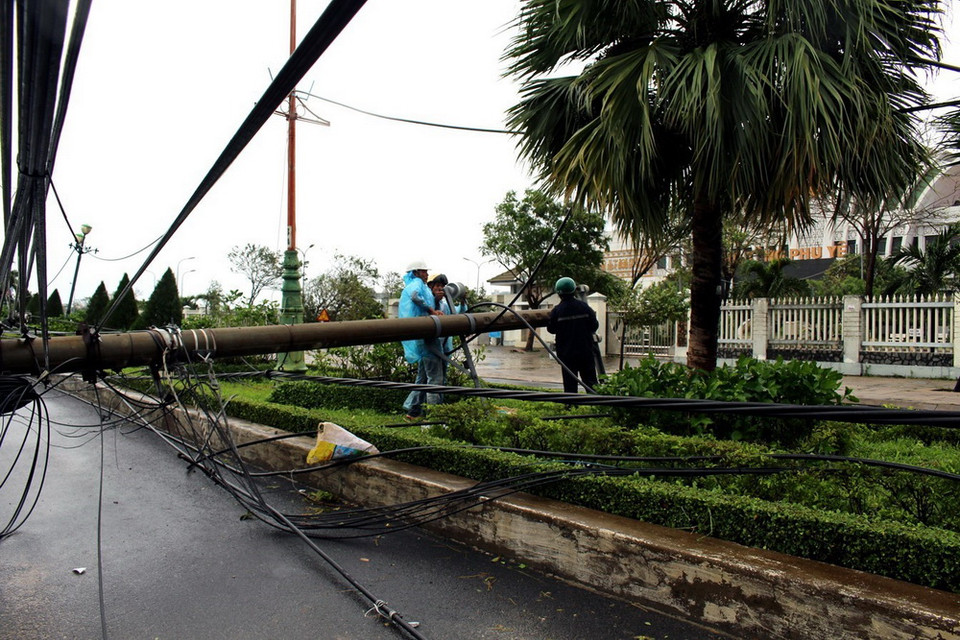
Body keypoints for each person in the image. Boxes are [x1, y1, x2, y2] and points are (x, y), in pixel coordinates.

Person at [399, 261, 444, 420]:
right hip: (427, 335)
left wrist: (435, 305)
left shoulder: (417, 286)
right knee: (435, 379)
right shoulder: (417, 284)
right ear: (416, 272)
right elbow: (415, 296)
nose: (426, 274)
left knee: (423, 378)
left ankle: (413, 411)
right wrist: (432, 311)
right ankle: (433, 415)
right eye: (424, 271)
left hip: (421, 335)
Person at [546, 276, 599, 393]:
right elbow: (594, 325)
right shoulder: (585, 307)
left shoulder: (557, 311)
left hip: (567, 354)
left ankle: (571, 403)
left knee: (570, 385)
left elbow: (551, 329)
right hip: (585, 352)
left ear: (558, 293)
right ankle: (596, 401)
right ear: (574, 290)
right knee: (591, 383)